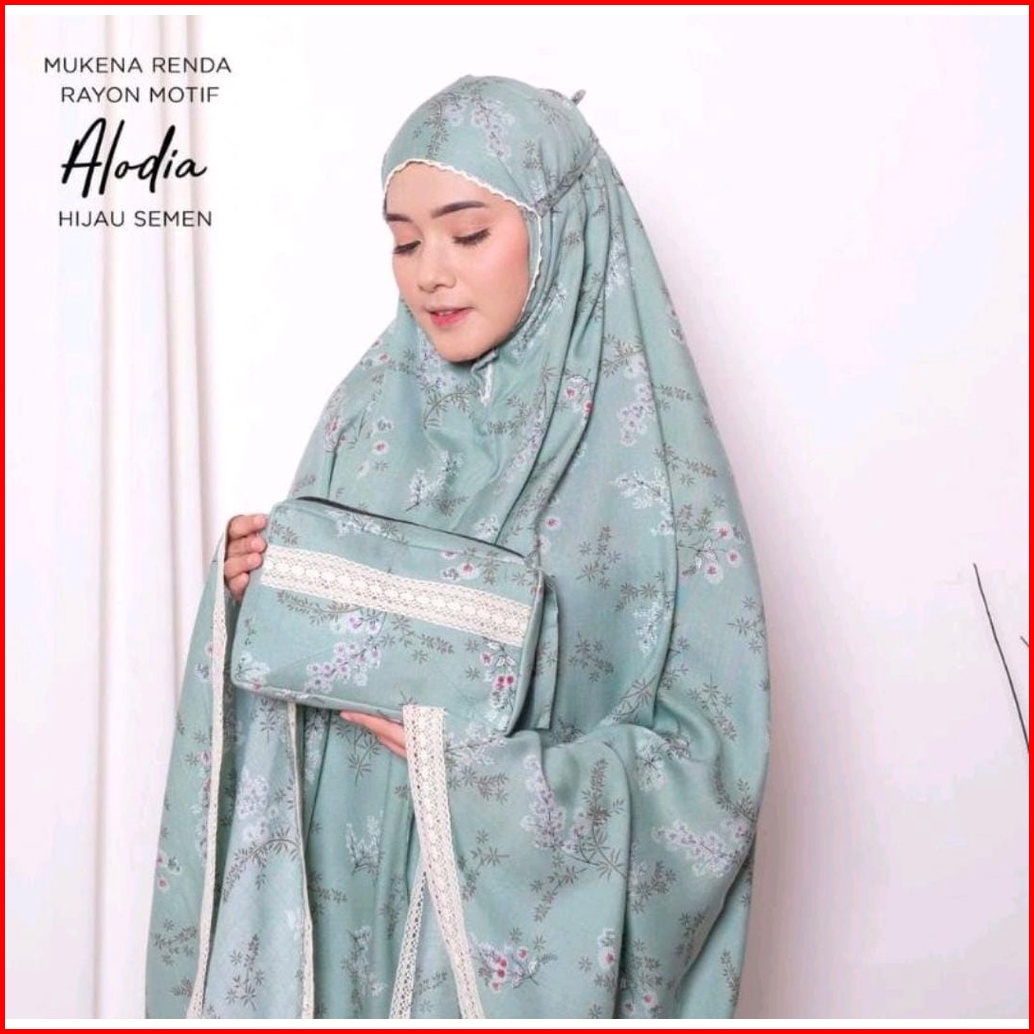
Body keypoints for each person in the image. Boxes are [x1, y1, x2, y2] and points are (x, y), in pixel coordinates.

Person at [146, 75, 769, 1019]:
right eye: (404, 241)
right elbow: (301, 675)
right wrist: (250, 597)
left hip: (490, 964)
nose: (428, 273)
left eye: (467, 233)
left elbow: (711, 782)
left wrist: (489, 782)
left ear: (561, 229)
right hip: (342, 930)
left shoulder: (655, 474)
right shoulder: (367, 416)